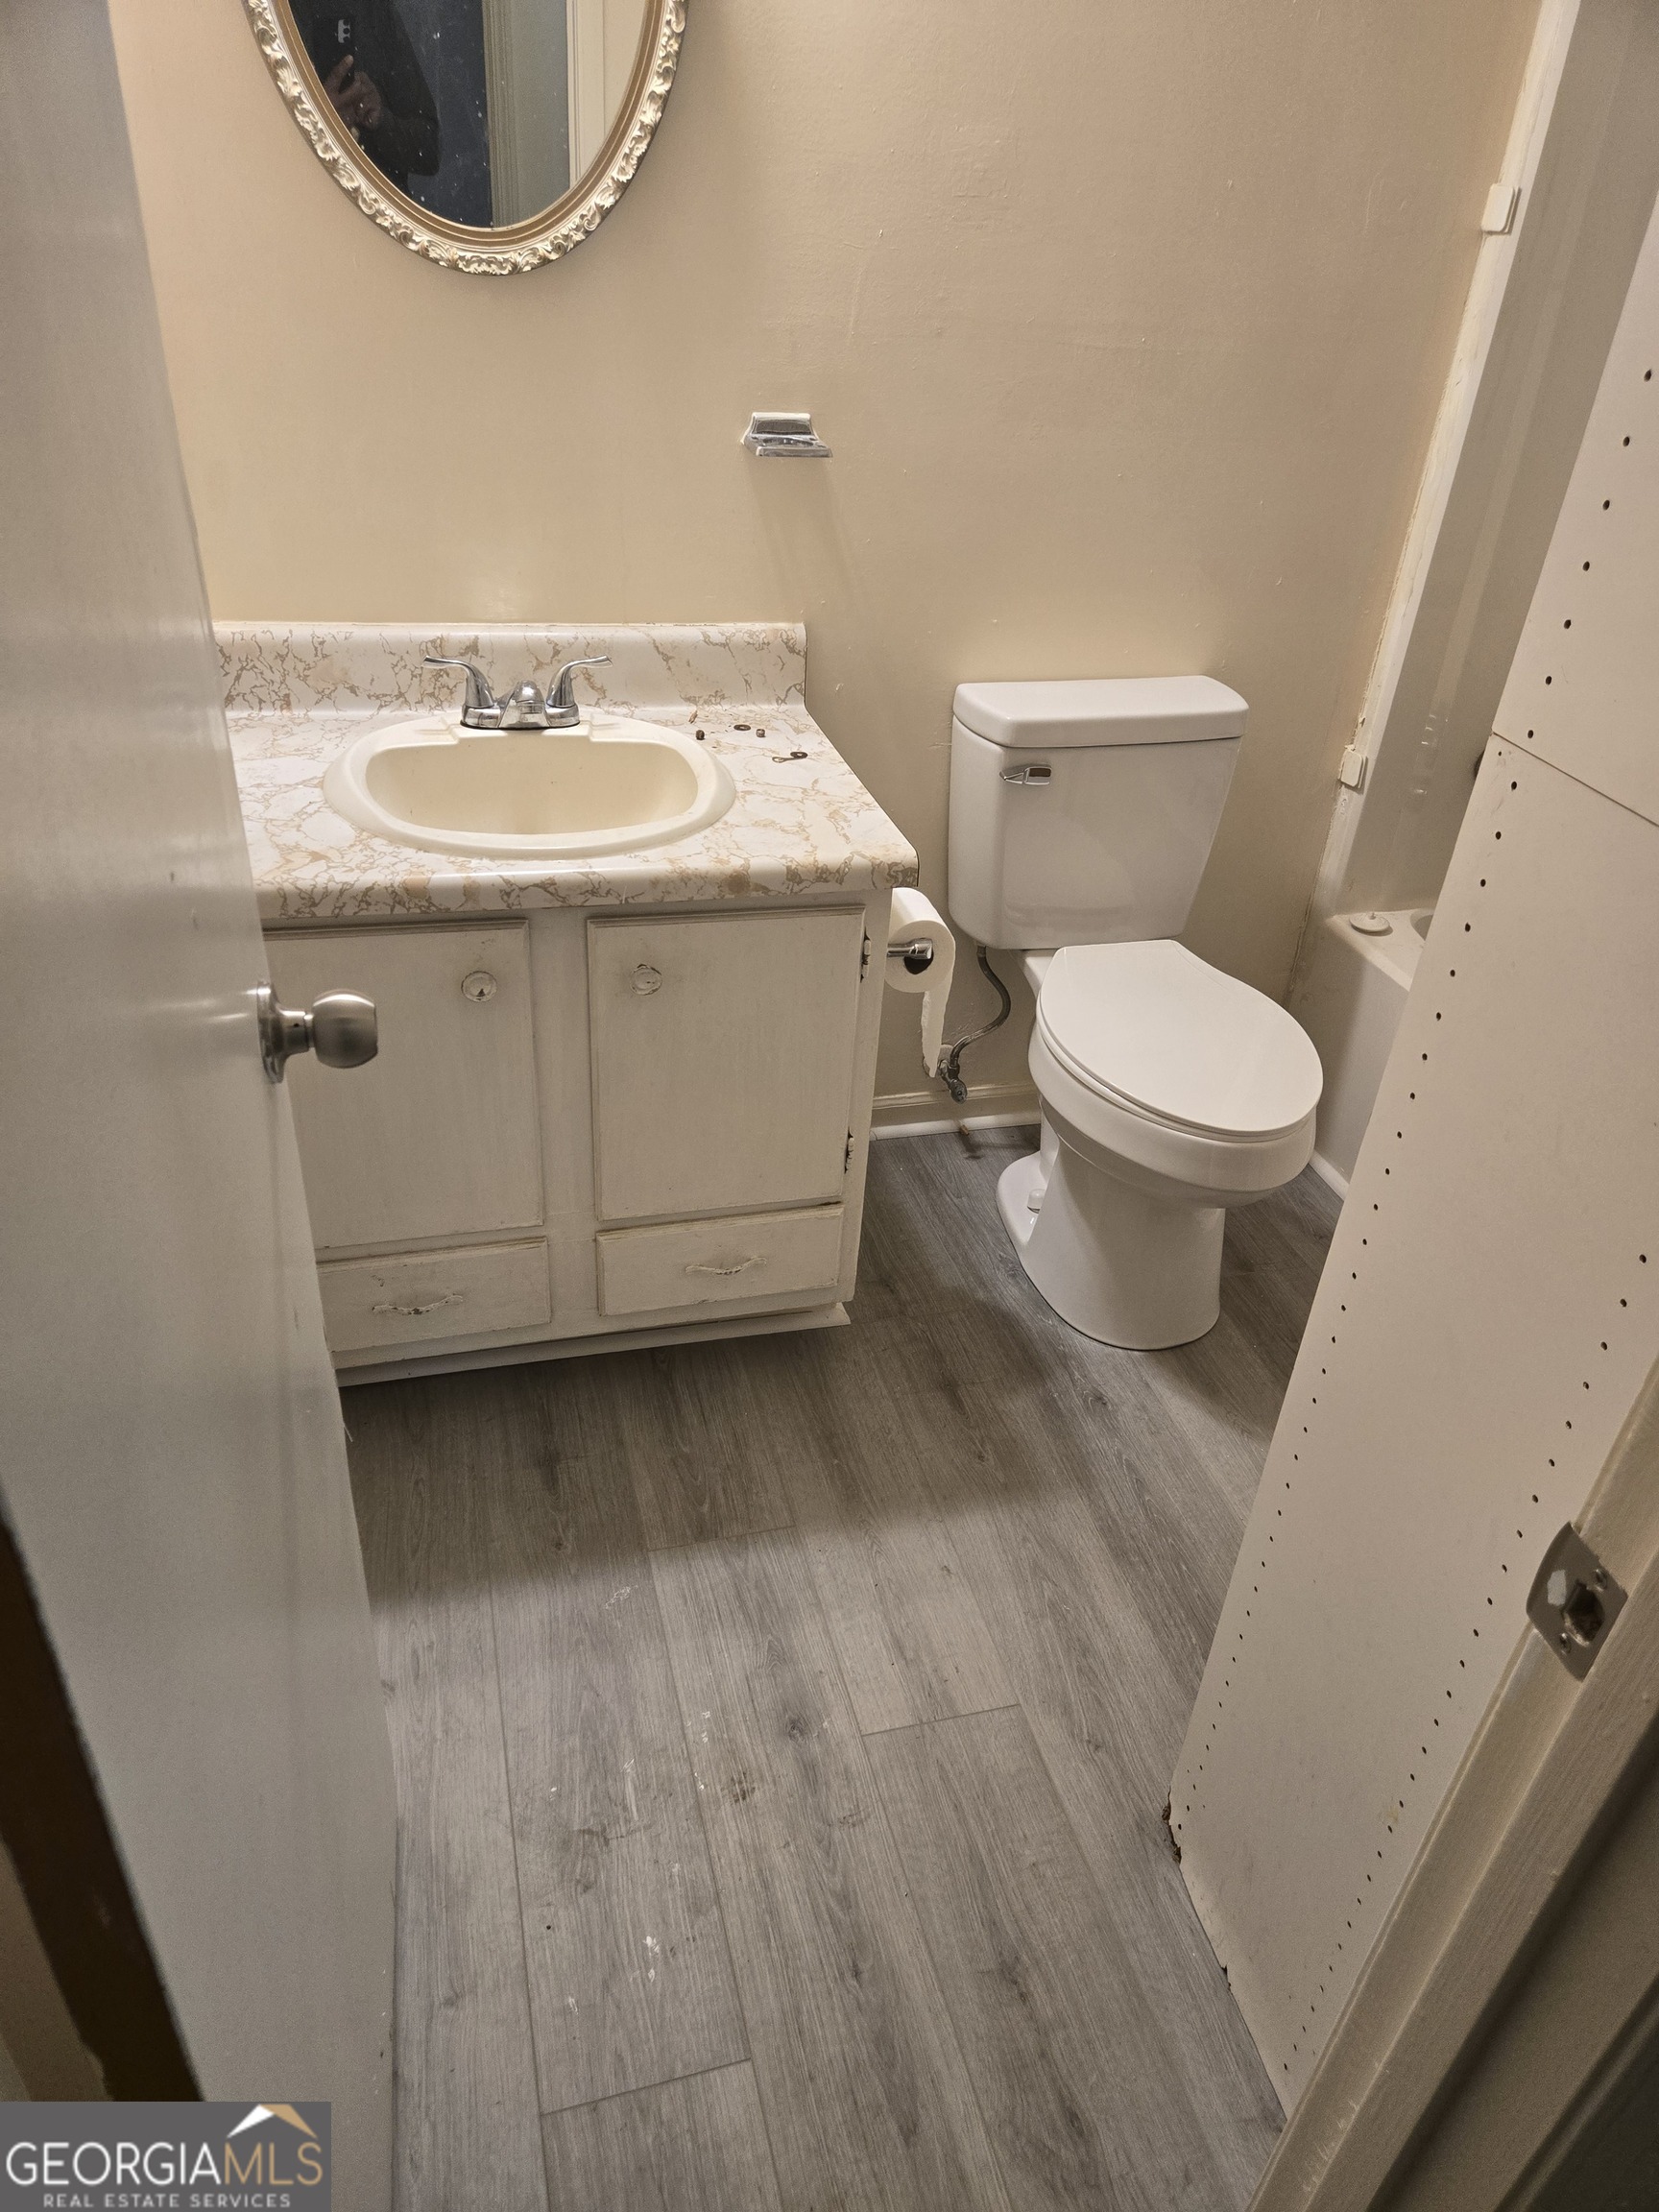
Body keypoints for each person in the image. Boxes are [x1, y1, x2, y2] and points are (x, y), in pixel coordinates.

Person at [293, 3, 440, 191]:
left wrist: (378, 119)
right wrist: (320, 116)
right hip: (300, 196)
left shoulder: (375, 10)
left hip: (379, 207)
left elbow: (427, 150)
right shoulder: (272, 15)